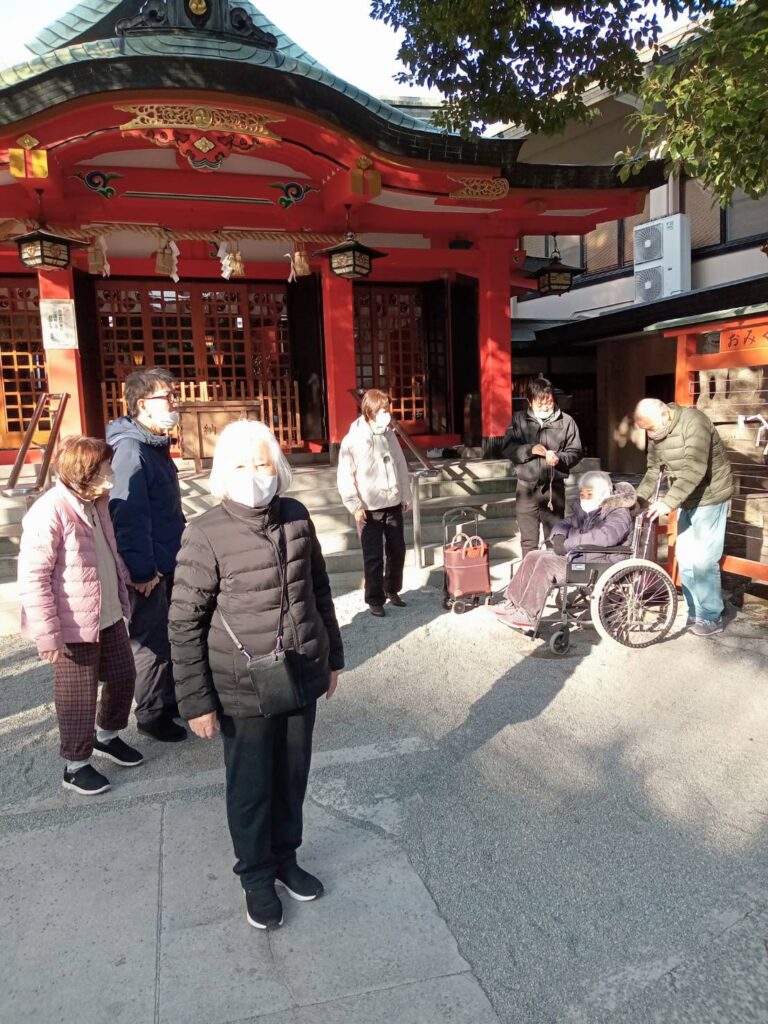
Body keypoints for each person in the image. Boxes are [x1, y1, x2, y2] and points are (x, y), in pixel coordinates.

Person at [169, 419, 344, 931]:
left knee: (292, 776)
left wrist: (332, 658)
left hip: (301, 671)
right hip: (242, 684)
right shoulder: (205, 532)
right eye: (242, 465)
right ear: (225, 471)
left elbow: (318, 589)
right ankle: (256, 875)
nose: (254, 474)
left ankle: (286, 857)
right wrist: (196, 702)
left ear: (277, 467)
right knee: (251, 785)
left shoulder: (296, 516)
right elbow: (183, 622)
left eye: (262, 463)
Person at [17, 437, 143, 796]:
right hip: (72, 621)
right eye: (105, 468)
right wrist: (47, 634)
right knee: (78, 695)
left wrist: (124, 581)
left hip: (107, 611)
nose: (111, 473)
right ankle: (75, 766)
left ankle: (107, 735)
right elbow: (34, 577)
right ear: (84, 473)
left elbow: (106, 552)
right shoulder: (49, 510)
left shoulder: (97, 502)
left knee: (123, 675)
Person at [107, 368, 187, 742]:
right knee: (150, 640)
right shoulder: (131, 449)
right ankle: (153, 713)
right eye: (167, 397)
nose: (174, 402)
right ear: (143, 405)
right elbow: (128, 515)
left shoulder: (153, 443)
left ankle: (170, 700)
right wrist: (141, 569)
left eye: (174, 395)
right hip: (150, 566)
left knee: (170, 633)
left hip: (167, 556)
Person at [634, 398, 733, 636]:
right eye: (646, 430)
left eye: (651, 428)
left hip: (711, 496)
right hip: (686, 498)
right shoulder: (657, 431)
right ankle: (695, 610)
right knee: (685, 558)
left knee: (703, 560)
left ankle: (711, 616)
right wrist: (638, 500)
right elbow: (653, 470)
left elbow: (694, 469)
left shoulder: (694, 422)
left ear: (664, 415)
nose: (650, 434)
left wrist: (668, 503)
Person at [495, 472, 636, 630]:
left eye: (588, 493)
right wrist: (559, 536)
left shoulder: (618, 512)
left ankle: (528, 615)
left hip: (600, 563)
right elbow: (567, 522)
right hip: (583, 556)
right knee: (533, 555)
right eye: (582, 493)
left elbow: (606, 536)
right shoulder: (591, 507)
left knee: (547, 562)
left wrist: (569, 544)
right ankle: (513, 603)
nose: (584, 497)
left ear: (602, 492)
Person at [337, 389, 412, 617]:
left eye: (387, 409)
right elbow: (345, 475)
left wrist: (406, 495)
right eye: (381, 410)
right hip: (369, 507)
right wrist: (354, 505)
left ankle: (392, 588)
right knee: (373, 556)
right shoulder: (352, 439)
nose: (386, 413)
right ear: (369, 411)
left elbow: (401, 465)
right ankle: (374, 598)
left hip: (393, 502)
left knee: (397, 550)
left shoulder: (390, 435)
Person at [502, 378, 583, 557]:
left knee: (555, 539)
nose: (546, 407)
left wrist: (560, 458)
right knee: (528, 541)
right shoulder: (519, 420)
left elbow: (576, 451)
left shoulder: (566, 421)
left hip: (553, 489)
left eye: (549, 403)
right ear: (530, 402)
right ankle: (529, 573)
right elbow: (508, 448)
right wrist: (530, 450)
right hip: (526, 487)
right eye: (540, 404)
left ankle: (553, 573)